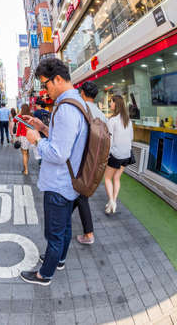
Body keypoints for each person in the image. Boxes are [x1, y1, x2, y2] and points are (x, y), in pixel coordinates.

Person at [20, 58, 88, 286]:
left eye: (45, 84)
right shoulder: (75, 102)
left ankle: (44, 274)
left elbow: (59, 153)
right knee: (65, 227)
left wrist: (36, 140)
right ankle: (58, 259)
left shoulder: (66, 108)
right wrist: (43, 128)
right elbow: (65, 140)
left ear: (57, 79)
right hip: (69, 182)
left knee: (54, 233)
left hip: (59, 183)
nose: (45, 90)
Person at [72, 81, 108, 245]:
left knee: (80, 196)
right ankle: (83, 231)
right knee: (79, 195)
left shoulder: (80, 110)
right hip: (96, 163)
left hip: (79, 161)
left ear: (82, 93)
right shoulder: (102, 115)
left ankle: (88, 234)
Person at [104, 95, 133, 214]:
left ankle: (111, 201)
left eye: (111, 102)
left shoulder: (112, 120)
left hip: (115, 155)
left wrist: (106, 154)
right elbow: (132, 138)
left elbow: (108, 140)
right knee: (117, 178)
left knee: (107, 178)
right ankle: (113, 201)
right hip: (127, 155)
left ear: (116, 104)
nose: (110, 104)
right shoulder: (128, 120)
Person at [14, 104, 32, 175]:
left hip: (23, 136)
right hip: (30, 136)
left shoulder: (20, 116)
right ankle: (25, 166)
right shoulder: (31, 116)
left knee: (24, 153)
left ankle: (26, 170)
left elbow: (14, 119)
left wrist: (20, 113)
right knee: (27, 152)